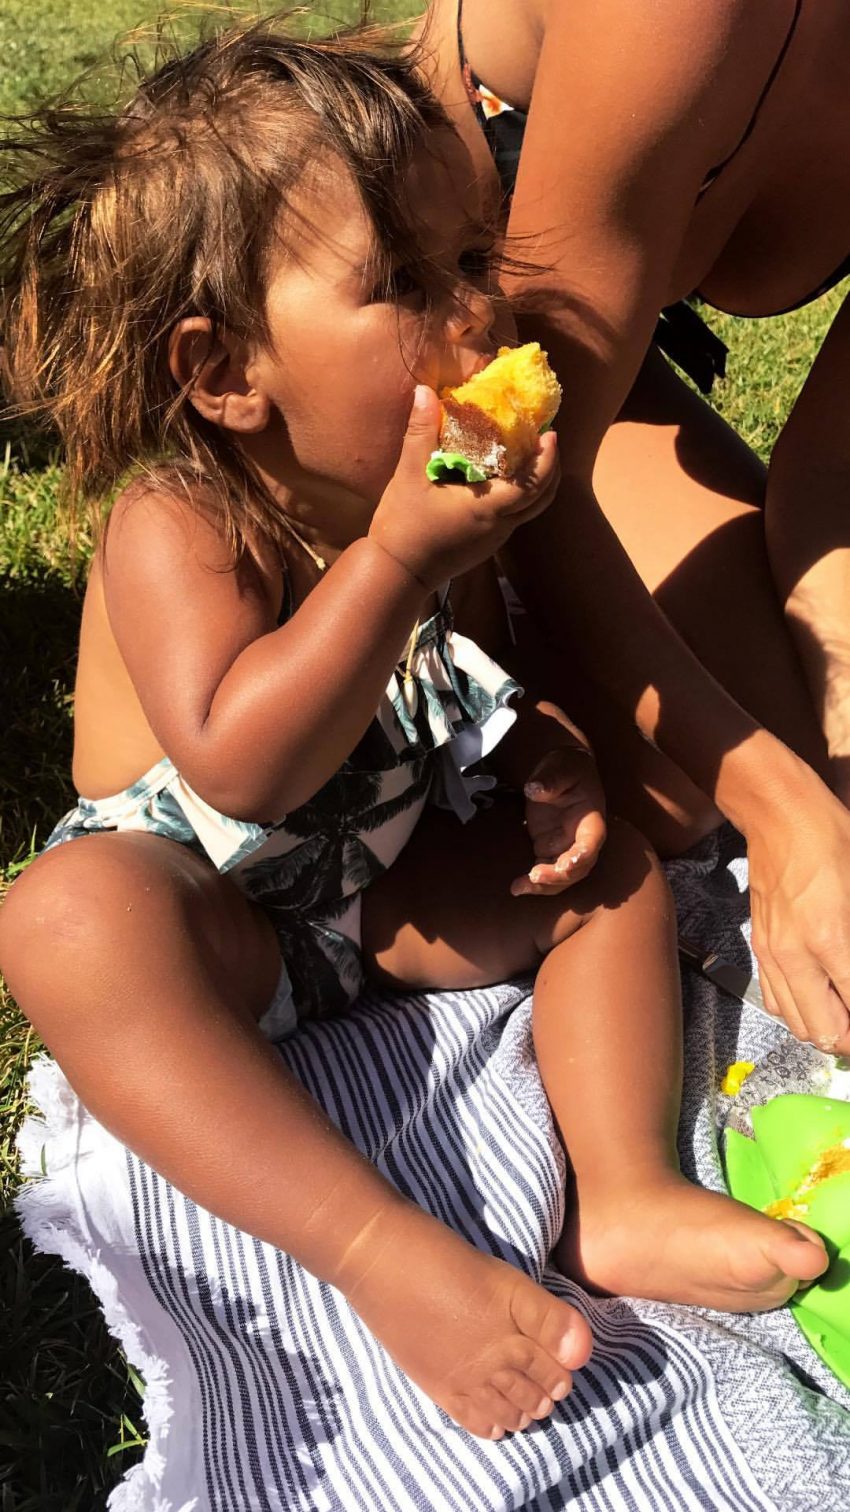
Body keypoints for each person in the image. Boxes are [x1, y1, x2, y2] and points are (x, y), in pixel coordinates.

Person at [0, 16, 827, 1443]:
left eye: (473, 260)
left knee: (612, 872)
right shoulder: (182, 524)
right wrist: (393, 561)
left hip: (374, 901)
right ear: (224, 372)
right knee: (65, 921)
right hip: (219, 916)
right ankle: (379, 1251)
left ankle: (622, 1189)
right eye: (405, 284)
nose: (477, 314)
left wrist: (546, 756)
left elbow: (468, 687)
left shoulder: (438, 499)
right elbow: (243, 769)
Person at [415, 0, 850, 1057]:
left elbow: (833, 477)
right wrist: (784, 814)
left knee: (799, 747)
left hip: (588, 378)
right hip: (441, 394)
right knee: (686, 799)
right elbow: (506, 457)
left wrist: (836, 771)